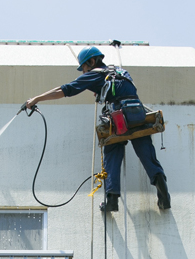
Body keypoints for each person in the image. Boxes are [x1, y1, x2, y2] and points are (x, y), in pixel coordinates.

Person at [25, 46, 170, 212]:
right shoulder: (120, 72)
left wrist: (36, 99)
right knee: (147, 155)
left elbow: (65, 89)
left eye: (84, 68)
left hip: (117, 117)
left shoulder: (96, 74)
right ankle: (164, 195)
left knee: (112, 152)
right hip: (138, 114)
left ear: (92, 61)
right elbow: (122, 90)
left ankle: (112, 200)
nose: (84, 73)